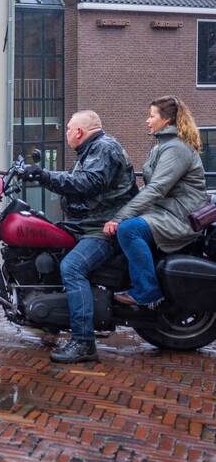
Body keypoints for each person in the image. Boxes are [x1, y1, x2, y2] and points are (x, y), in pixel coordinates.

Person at [20, 110, 137, 364]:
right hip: (88, 223)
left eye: (68, 129)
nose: (66, 134)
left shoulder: (104, 148)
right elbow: (79, 185)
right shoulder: (91, 150)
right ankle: (50, 320)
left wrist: (43, 175)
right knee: (50, 242)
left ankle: (84, 342)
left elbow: (87, 183)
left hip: (104, 228)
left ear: (80, 132)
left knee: (72, 268)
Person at [103, 96, 208, 307]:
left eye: (151, 116)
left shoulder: (176, 149)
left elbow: (157, 188)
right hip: (165, 211)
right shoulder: (163, 145)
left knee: (128, 229)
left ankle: (147, 291)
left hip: (180, 217)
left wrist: (121, 216)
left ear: (166, 120)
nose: (147, 120)